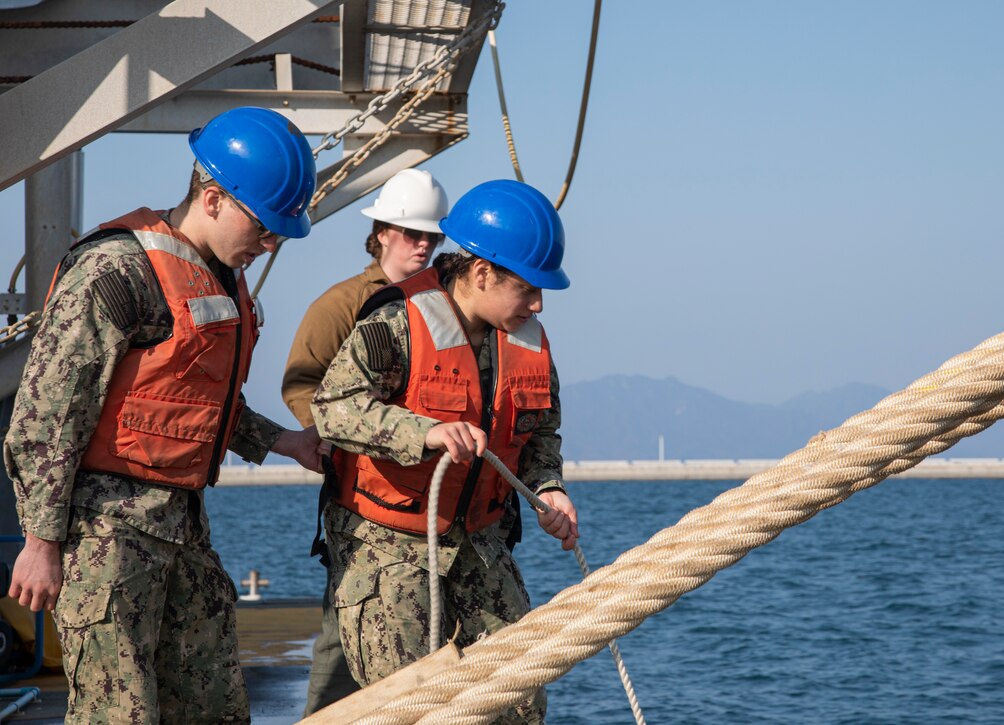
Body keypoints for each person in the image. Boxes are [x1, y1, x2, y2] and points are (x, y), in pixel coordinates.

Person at [4, 106, 325, 723]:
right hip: (105, 539)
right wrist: (40, 541)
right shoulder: (118, 271)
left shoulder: (224, 280)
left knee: (215, 709)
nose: (271, 242)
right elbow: (46, 415)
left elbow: (191, 406)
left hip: (183, 530)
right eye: (264, 226)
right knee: (118, 715)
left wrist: (286, 442)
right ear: (212, 199)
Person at [311, 179, 578, 723]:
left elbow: (540, 435)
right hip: (388, 548)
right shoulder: (395, 324)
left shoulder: (529, 343)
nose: (539, 303)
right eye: (528, 288)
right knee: (410, 707)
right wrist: (421, 432)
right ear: (482, 274)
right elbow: (332, 408)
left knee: (520, 699)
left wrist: (549, 488)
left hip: (480, 544)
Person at [280, 167, 448, 715]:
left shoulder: (447, 304)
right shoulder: (343, 304)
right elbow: (304, 382)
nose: (424, 245)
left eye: (433, 236)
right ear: (381, 233)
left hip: (434, 498)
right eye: (412, 233)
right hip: (362, 497)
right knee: (345, 622)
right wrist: (329, 438)